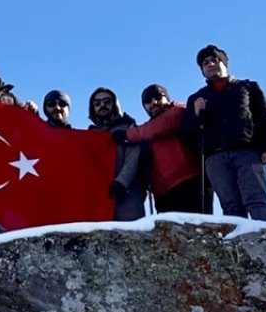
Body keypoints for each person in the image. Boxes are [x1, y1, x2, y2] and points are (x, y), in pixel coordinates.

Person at [182, 45, 266, 221]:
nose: (211, 64)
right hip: (215, 158)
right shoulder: (197, 98)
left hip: (247, 151)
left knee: (257, 199)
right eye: (206, 63)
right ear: (202, 70)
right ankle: (239, 245)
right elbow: (188, 133)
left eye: (215, 60)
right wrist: (197, 115)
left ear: (225, 64)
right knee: (231, 206)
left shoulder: (248, 87)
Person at [113, 84, 210, 214]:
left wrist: (126, 134)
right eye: (148, 101)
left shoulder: (178, 111)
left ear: (167, 98)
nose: (154, 103)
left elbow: (158, 127)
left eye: (158, 97)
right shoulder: (145, 131)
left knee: (197, 226)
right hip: (162, 192)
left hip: (190, 182)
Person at [88, 87, 148, 221]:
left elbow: (133, 158)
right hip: (100, 196)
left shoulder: (129, 128)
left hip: (128, 195)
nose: (102, 105)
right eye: (97, 103)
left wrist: (121, 182)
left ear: (114, 104)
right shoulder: (89, 136)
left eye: (106, 101)